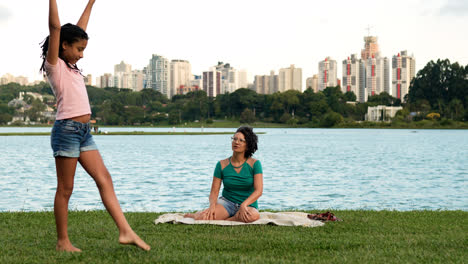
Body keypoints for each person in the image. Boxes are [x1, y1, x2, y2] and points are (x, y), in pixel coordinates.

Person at [40, 0, 150, 252]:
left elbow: (79, 29)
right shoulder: (54, 67)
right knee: (66, 189)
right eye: (79, 49)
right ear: (64, 46)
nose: (81, 54)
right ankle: (62, 242)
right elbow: (55, 27)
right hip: (66, 131)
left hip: (83, 133)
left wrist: (91, 2)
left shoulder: (72, 66)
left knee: (105, 178)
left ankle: (125, 231)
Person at [185, 126, 263, 222]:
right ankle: (195, 215)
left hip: (247, 205)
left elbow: (258, 191)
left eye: (241, 140)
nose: (236, 142)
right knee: (203, 218)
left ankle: (227, 220)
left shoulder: (255, 164)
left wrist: (244, 204)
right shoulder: (221, 164)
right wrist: (212, 206)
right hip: (227, 203)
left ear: (247, 145)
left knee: (253, 216)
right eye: (234, 139)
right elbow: (214, 191)